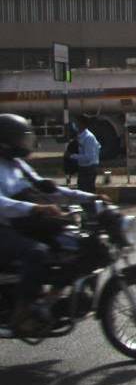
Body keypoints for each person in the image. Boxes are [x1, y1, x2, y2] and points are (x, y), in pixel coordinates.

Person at [0, 114, 100, 335]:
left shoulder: (18, 165)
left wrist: (89, 197)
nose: (25, 143)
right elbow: (2, 205)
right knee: (37, 252)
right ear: (6, 141)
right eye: (20, 139)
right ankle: (22, 314)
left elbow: (49, 189)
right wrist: (36, 208)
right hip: (5, 229)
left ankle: (50, 302)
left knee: (72, 247)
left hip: (23, 224)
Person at [69, 115, 101, 192]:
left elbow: (88, 157)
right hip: (83, 168)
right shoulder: (79, 136)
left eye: (76, 123)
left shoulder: (88, 137)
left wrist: (72, 156)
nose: (75, 125)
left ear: (82, 124)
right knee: (82, 192)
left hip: (89, 169)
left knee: (87, 192)